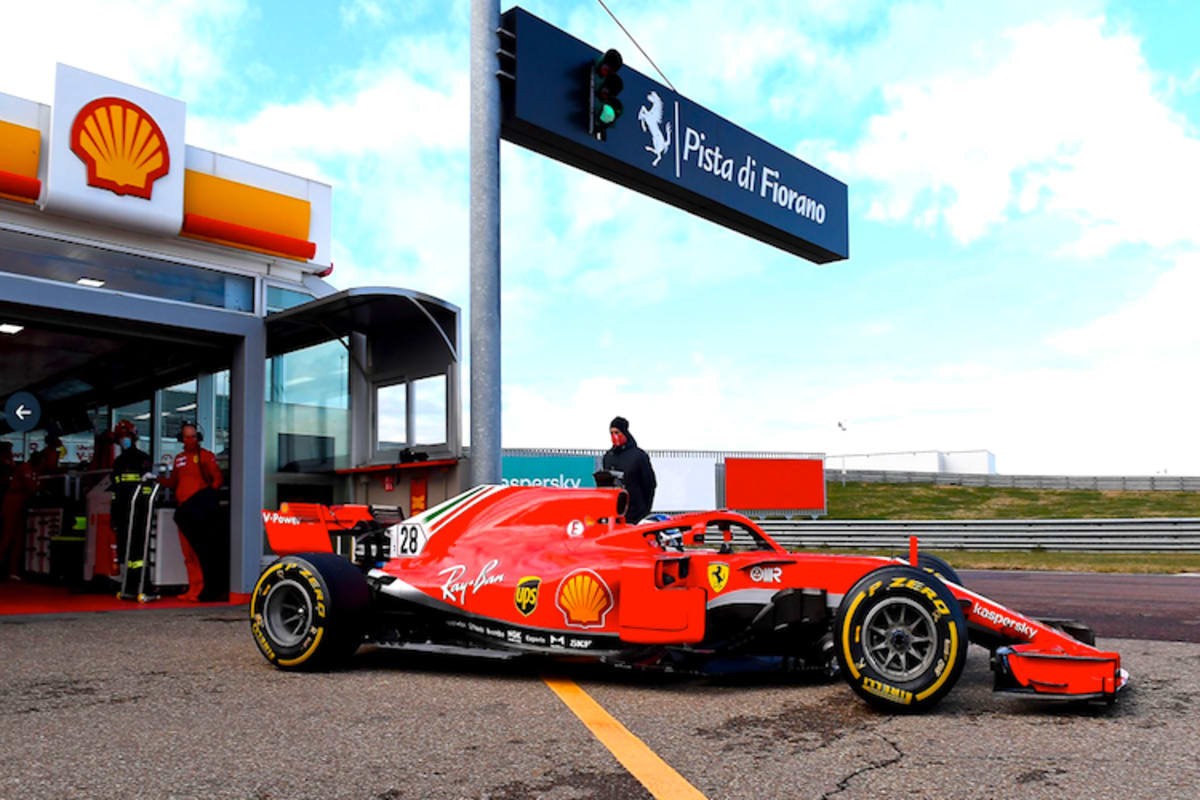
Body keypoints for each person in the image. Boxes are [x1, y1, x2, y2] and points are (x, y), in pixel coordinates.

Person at [159, 422, 223, 601]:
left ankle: (203, 588)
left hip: (200, 512)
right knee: (187, 553)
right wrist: (156, 479)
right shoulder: (178, 458)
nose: (190, 440)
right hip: (184, 512)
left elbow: (217, 479)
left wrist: (206, 498)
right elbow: (173, 483)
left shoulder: (206, 456)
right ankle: (192, 587)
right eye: (186, 437)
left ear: (198, 438)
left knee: (200, 551)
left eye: (193, 436)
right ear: (182, 438)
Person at [110, 420, 152, 575]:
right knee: (124, 545)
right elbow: (115, 487)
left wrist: (145, 507)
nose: (123, 441)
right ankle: (128, 579)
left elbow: (147, 485)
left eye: (126, 437)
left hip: (138, 508)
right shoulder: (118, 462)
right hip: (122, 509)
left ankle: (140, 580)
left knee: (138, 545)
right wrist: (114, 513)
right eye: (121, 438)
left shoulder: (142, 458)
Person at [601, 416, 657, 524]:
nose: (614, 436)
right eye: (611, 433)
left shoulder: (639, 456)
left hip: (635, 514)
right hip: (615, 516)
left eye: (617, 432)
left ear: (625, 432)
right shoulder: (608, 457)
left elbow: (650, 484)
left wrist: (645, 509)